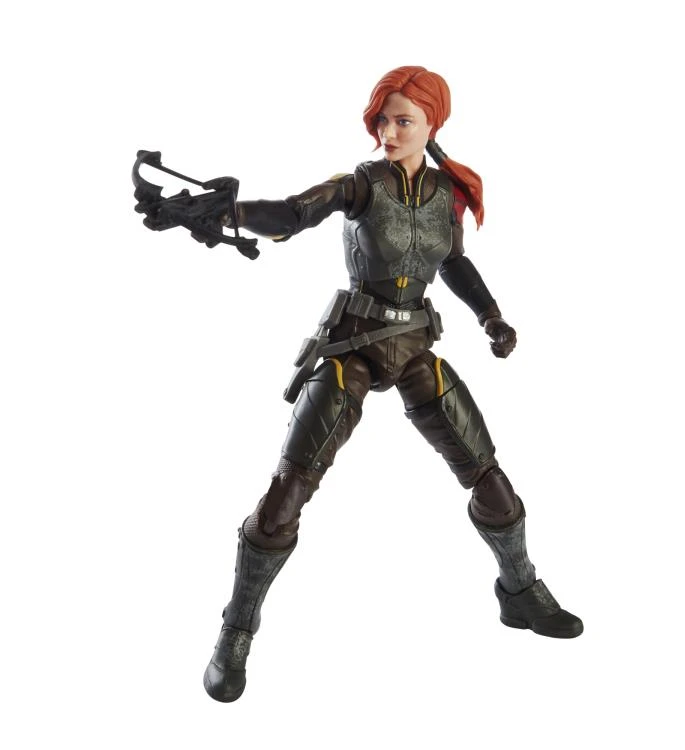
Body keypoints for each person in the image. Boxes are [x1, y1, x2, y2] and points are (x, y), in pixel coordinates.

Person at [203, 66, 583, 703]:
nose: (389, 131)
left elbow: (453, 261)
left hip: (412, 348)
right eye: (383, 119)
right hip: (351, 347)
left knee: (491, 482)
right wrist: (227, 211)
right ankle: (235, 632)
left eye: (404, 120)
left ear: (431, 124)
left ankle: (519, 591)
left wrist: (491, 316)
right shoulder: (361, 183)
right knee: (286, 494)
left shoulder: (446, 193)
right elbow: (294, 212)